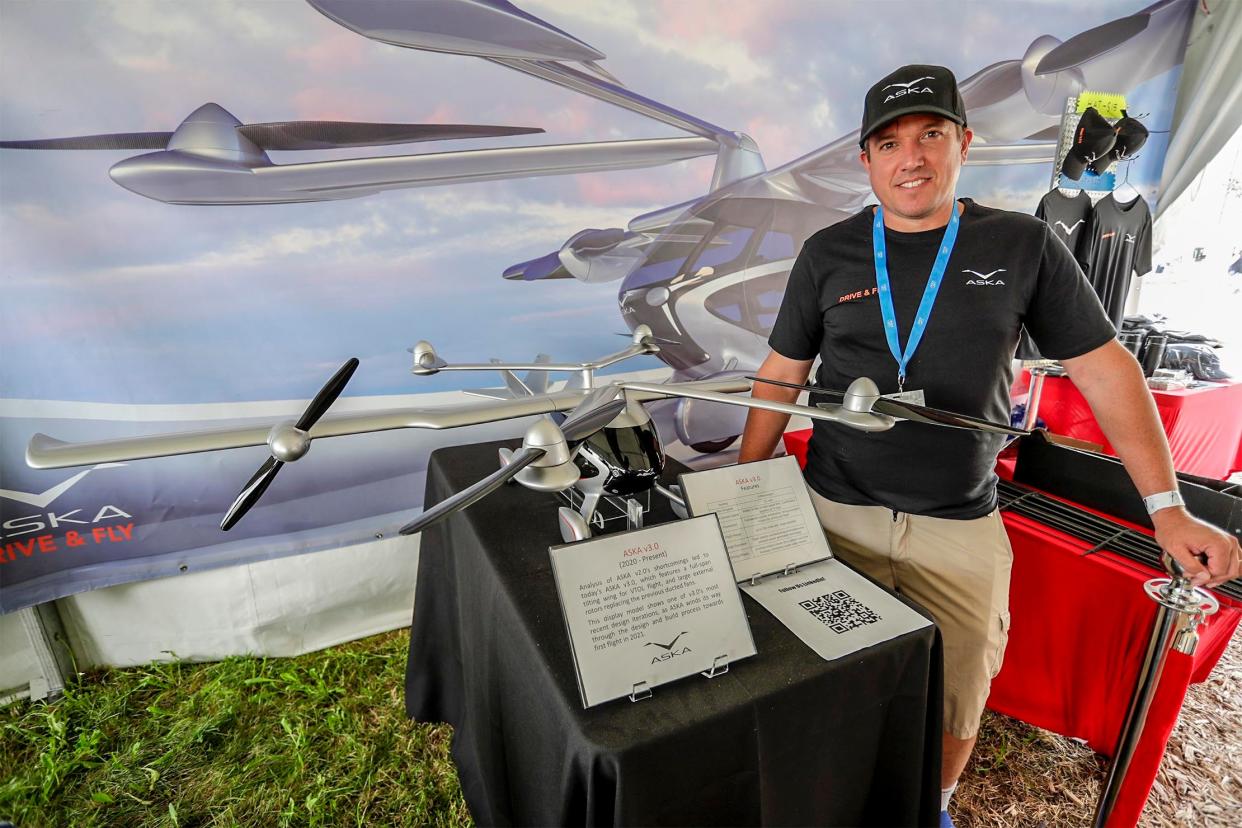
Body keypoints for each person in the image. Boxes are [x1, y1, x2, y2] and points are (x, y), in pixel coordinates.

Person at [738, 64, 1241, 827]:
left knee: (959, 692)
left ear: (963, 144)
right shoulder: (828, 252)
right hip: (834, 514)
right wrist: (745, 487)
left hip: (959, 524)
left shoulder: (1023, 243)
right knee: (818, 678)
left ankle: (929, 808)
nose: (912, 157)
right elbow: (780, 375)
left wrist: (1168, 510)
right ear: (866, 160)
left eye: (931, 135)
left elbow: (1107, 371)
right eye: (890, 142)